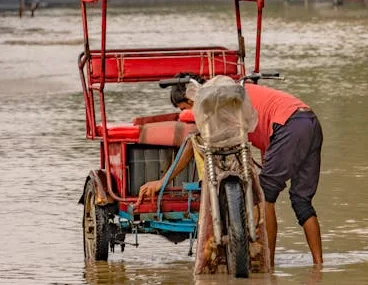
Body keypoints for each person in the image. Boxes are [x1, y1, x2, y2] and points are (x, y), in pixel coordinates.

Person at [138, 73, 324, 267]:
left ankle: (268, 264)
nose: (193, 116)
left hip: (288, 126)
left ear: (191, 98)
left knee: (265, 194)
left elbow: (191, 144)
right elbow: (265, 137)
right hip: (309, 121)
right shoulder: (232, 92)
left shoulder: (219, 101)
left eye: (186, 109)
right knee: (302, 202)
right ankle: (319, 266)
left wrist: (163, 181)